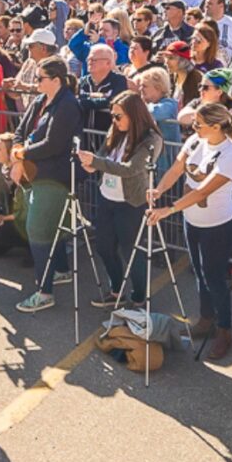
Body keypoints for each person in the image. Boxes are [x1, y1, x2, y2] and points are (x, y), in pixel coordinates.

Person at [147, 102, 232, 361]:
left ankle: (224, 330)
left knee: (214, 277)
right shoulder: (193, 143)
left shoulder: (230, 154)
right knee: (200, 272)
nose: (193, 128)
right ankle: (206, 319)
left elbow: (203, 191)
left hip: (219, 224)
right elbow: (176, 171)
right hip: (193, 220)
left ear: (215, 126)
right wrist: (159, 189)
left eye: (198, 124)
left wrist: (169, 209)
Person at [77, 91, 166, 313]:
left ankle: (138, 298)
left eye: (118, 116)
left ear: (134, 115)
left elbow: (131, 170)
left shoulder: (151, 139)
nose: (114, 121)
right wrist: (92, 162)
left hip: (132, 203)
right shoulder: (116, 130)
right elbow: (103, 152)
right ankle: (116, 289)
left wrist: (96, 162)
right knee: (104, 247)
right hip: (107, 198)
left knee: (131, 251)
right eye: (113, 116)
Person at [12, 59, 82, 313]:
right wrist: (17, 148)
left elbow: (54, 144)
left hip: (55, 178)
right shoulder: (42, 100)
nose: (35, 82)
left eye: (40, 78)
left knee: (37, 229)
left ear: (56, 80)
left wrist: (21, 155)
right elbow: (21, 129)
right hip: (38, 174)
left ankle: (44, 292)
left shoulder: (68, 105)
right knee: (49, 227)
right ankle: (61, 270)